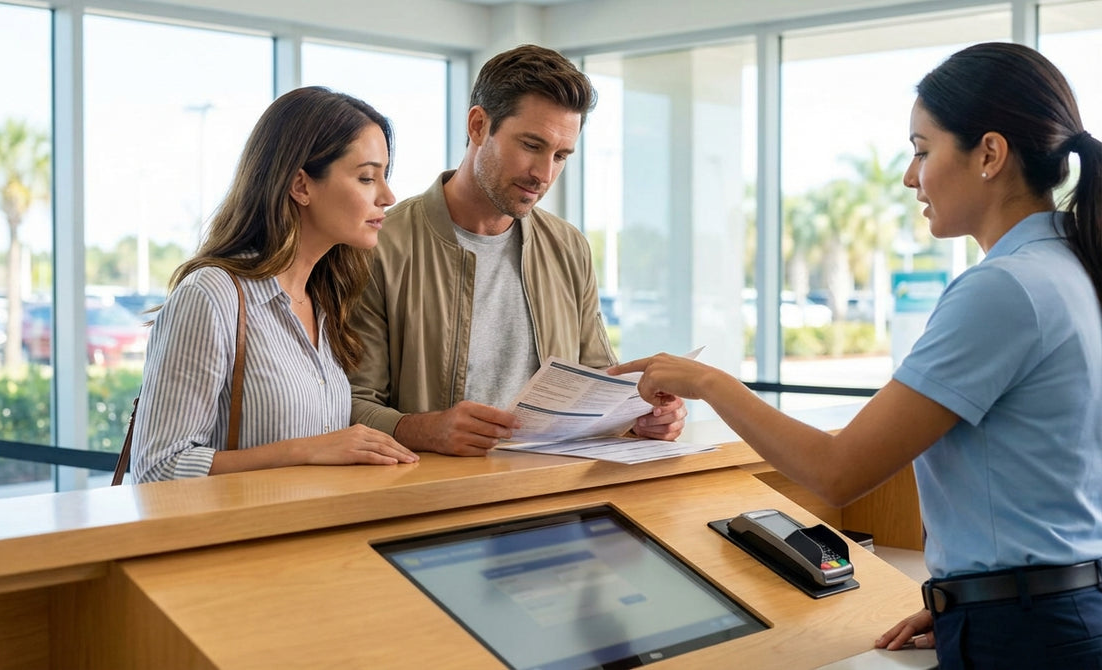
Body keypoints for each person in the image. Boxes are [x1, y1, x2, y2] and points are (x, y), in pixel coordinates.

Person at [610, 42, 1102, 668]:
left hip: (1028, 636)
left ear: (990, 154)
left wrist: (708, 381)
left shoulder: (1004, 288)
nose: (908, 175)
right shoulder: (1072, 266)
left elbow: (839, 471)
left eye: (922, 150)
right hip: (1046, 613)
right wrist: (969, 600)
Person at [347, 44, 686, 456]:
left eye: (560, 156)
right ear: (478, 125)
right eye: (531, 145)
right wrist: (424, 429)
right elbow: (347, 405)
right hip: (432, 500)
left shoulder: (568, 246)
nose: (544, 175)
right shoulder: (380, 246)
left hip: (551, 495)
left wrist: (641, 418)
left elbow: (598, 382)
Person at [132, 86, 418, 482]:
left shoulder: (325, 300)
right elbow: (157, 469)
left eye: (384, 176)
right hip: (244, 541)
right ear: (301, 186)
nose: (387, 196)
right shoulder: (212, 296)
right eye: (367, 177)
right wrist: (308, 451)